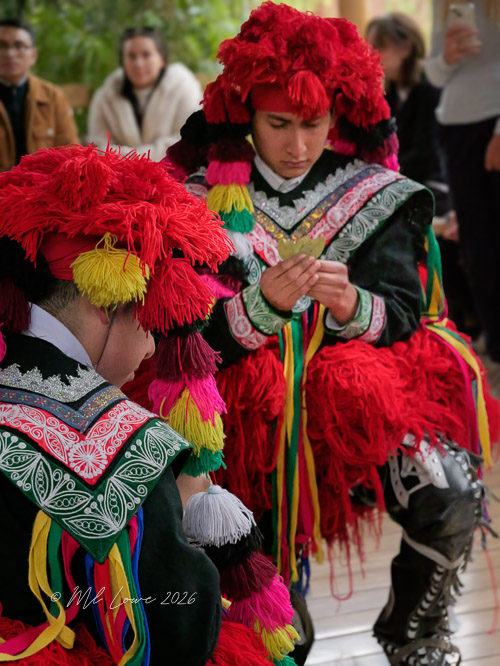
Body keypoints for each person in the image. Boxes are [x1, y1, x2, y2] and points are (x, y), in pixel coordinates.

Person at [165, 3, 496, 665]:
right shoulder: (196, 199)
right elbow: (180, 339)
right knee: (287, 636)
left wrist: (352, 305)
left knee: (452, 495)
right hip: (246, 423)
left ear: (337, 116)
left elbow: (406, 307)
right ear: (244, 118)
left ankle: (416, 632)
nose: (297, 145)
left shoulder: (372, 191)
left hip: (356, 404)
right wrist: (261, 309)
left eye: (314, 124)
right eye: (277, 124)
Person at [0, 144, 230, 664]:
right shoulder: (123, 443)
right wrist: (189, 501)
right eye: (149, 322)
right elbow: (180, 630)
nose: (151, 348)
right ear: (104, 301)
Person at [367, 11, 481, 338]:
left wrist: (388, 169)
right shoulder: (386, 94)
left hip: (440, 182)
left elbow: (428, 153)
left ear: (405, 45)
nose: (374, 55)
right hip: (405, 181)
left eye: (380, 46)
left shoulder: (430, 86)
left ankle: (463, 314)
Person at [425, 0, 500, 362]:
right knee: (475, 245)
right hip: (453, 128)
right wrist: (448, 58)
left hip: (492, 124)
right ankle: (495, 341)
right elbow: (435, 73)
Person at [88, 26, 202, 161]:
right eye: (131, 56)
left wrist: (128, 157)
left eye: (146, 55)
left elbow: (188, 142)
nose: (138, 63)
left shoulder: (184, 86)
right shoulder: (105, 96)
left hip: (174, 175)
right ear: (123, 62)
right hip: (119, 178)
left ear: (162, 59)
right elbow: (98, 147)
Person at [0, 17, 79, 172]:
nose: (10, 53)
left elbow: (72, 153)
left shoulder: (54, 97)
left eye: (19, 45)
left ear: (33, 55)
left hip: (42, 191)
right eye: (2, 46)